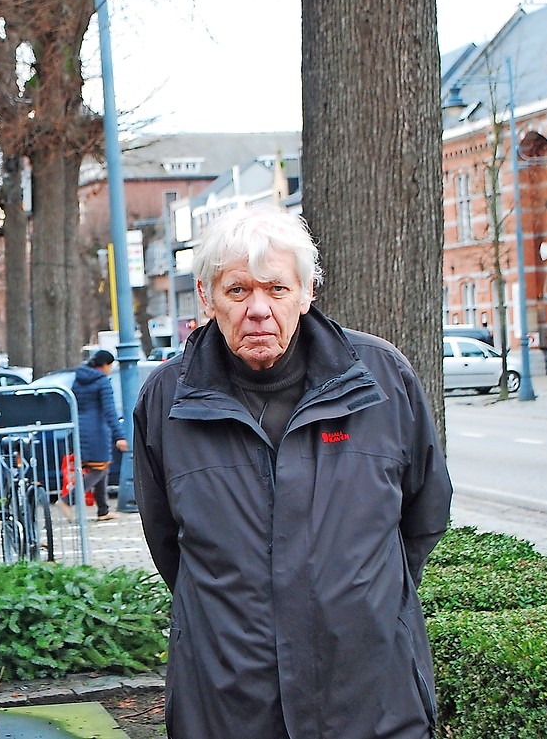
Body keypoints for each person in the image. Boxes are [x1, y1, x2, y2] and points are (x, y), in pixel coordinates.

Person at [133, 205, 452, 739]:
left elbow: (424, 510)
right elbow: (167, 541)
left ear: (306, 294)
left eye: (276, 289)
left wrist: (363, 602)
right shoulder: (168, 400)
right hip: (228, 702)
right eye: (238, 291)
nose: (258, 309)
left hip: (371, 694)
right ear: (208, 299)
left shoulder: (380, 378)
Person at [65, 349, 126, 521]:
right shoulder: (102, 382)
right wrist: (119, 436)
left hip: (80, 428)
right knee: (99, 469)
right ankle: (67, 500)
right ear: (105, 365)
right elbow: (110, 411)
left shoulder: (79, 379)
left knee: (99, 468)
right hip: (97, 431)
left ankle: (103, 510)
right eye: (110, 365)